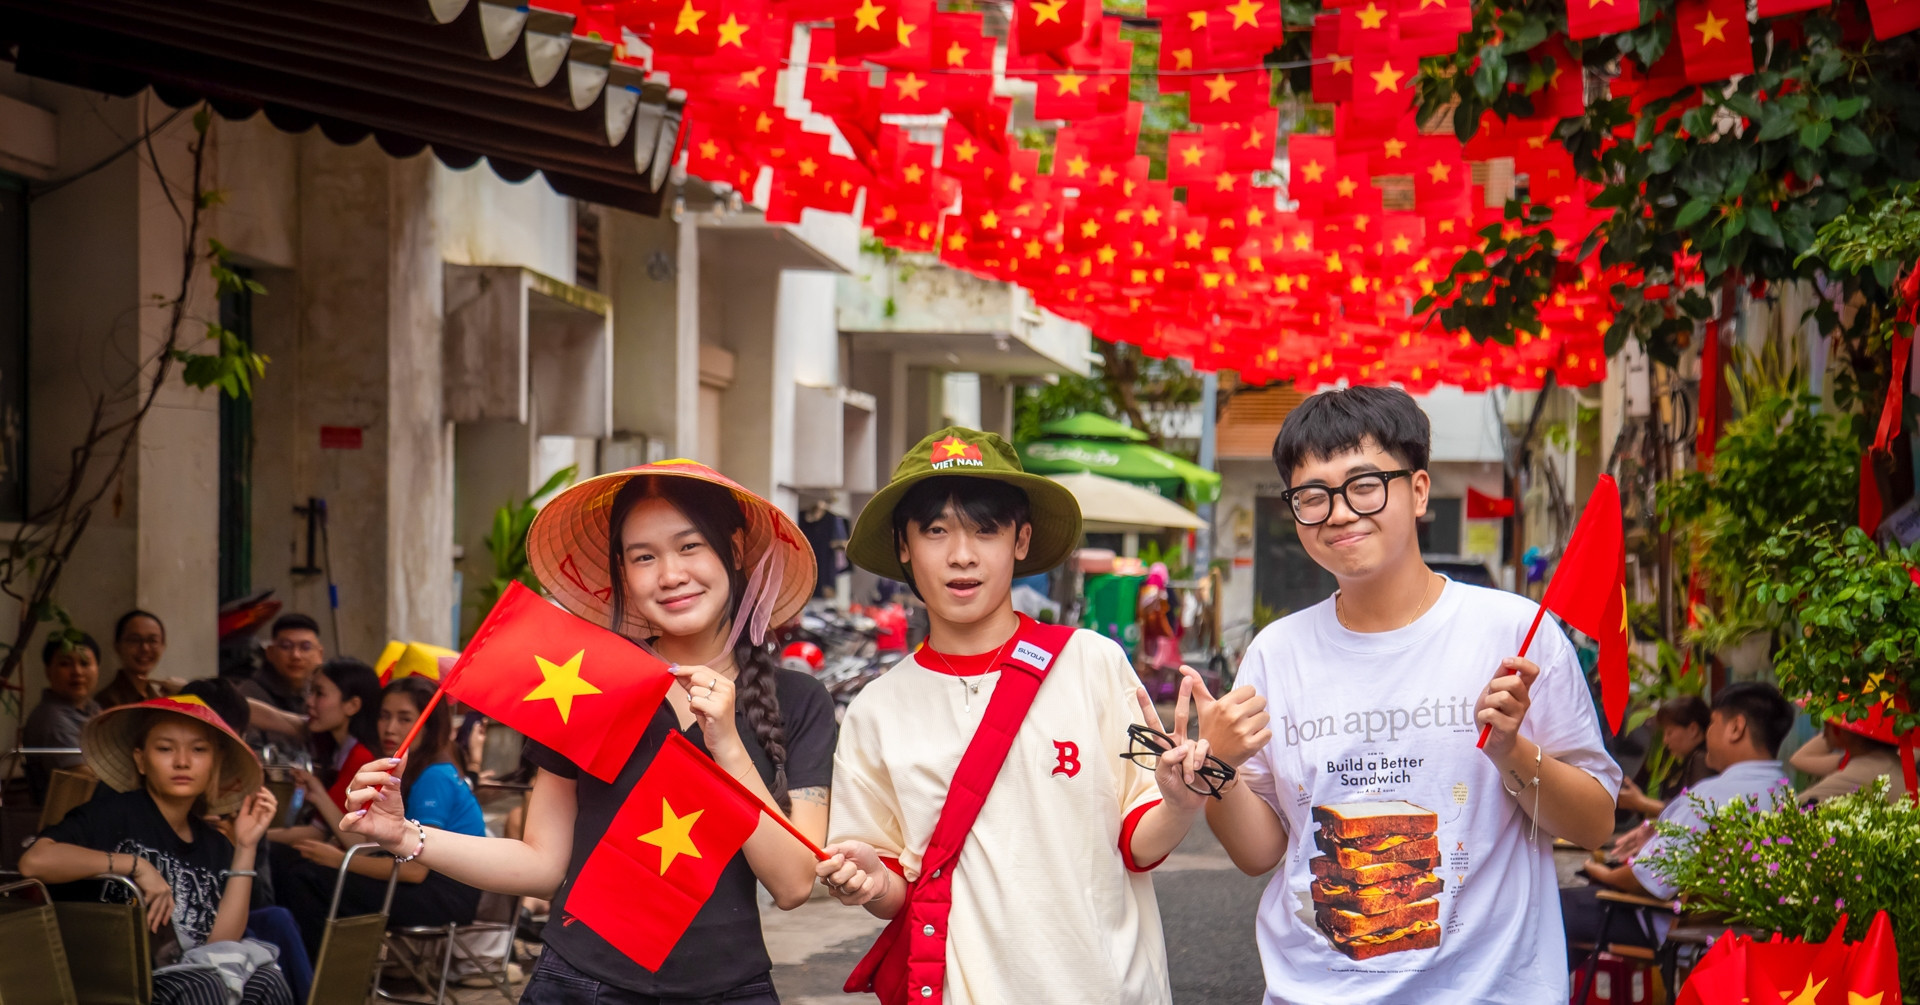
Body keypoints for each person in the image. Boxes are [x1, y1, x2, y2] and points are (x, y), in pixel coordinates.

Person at [341, 460, 833, 1004]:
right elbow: (542, 864)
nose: (669, 574)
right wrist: (404, 835)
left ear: (736, 551)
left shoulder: (799, 701)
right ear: (622, 573)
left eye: (689, 546)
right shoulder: (587, 686)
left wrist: (729, 748)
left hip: (732, 990)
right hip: (581, 983)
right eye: (643, 557)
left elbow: (793, 884)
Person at [1192, 386, 1622, 1004]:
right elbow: (1261, 853)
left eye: (1364, 485)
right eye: (1312, 496)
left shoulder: (1513, 636)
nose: (1338, 513)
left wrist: (1510, 751)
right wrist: (1219, 768)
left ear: (1418, 491)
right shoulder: (1275, 653)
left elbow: (1594, 825)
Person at [816, 427, 1214, 1005]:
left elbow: (1137, 841)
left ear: (1021, 540)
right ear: (904, 546)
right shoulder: (876, 709)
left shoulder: (1090, 662)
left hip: (1104, 988)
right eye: (935, 531)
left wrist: (1180, 803)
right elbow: (894, 884)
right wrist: (869, 882)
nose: (962, 555)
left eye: (986, 529)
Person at [20, 696, 288, 1005]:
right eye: (165, 749)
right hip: (116, 981)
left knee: (267, 980)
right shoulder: (113, 814)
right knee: (203, 985)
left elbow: (219, 945)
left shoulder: (214, 844)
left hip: (193, 976)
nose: (182, 762)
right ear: (141, 760)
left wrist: (245, 846)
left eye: (198, 750)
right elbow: (34, 862)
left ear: (215, 762)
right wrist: (135, 865)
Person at [1565, 683, 1795, 960]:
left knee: (1548, 911)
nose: (1708, 732)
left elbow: (1646, 879)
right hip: (1745, 933)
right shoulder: (1787, 796)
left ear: (1736, 728)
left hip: (1668, 928)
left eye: (1712, 723)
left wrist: (1597, 870)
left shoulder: (1709, 797)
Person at [276, 676, 487, 958]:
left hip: (444, 894)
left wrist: (339, 862)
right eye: (385, 716)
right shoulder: (402, 770)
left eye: (404, 719)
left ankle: (322, 982)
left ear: (427, 724)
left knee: (305, 879)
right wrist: (318, 796)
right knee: (296, 864)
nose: (390, 728)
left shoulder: (434, 775)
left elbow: (415, 870)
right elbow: (361, 843)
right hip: (424, 883)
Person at [267, 658, 383, 847]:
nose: (309, 701)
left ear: (352, 705)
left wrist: (243, 836)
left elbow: (319, 832)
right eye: (310, 691)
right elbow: (271, 717)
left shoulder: (362, 759)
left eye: (319, 693)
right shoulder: (334, 747)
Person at [24, 633, 105, 804]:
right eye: (65, 664)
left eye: (84, 663)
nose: (77, 672)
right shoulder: (52, 719)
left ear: (97, 668)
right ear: (48, 671)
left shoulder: (93, 709)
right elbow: (86, 778)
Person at [1617, 695, 1714, 819]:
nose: (1665, 741)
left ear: (1693, 729)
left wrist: (1641, 802)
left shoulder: (1702, 760)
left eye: (1669, 732)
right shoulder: (1686, 759)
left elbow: (1694, 811)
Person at [238, 613, 325, 742]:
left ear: (320, 654)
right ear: (270, 652)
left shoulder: (326, 695)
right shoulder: (249, 694)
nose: (296, 655)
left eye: (305, 647)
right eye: (286, 646)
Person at [1796, 708, 1910, 804]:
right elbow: (1799, 759)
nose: (1824, 733)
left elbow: (1791, 812)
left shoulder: (1864, 770)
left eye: (1828, 724)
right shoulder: (1892, 764)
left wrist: (1843, 729)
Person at [97, 610, 175, 708]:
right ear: (117, 646)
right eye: (135, 640)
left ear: (163, 646)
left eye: (152, 641)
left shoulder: (157, 698)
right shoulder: (108, 701)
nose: (145, 648)